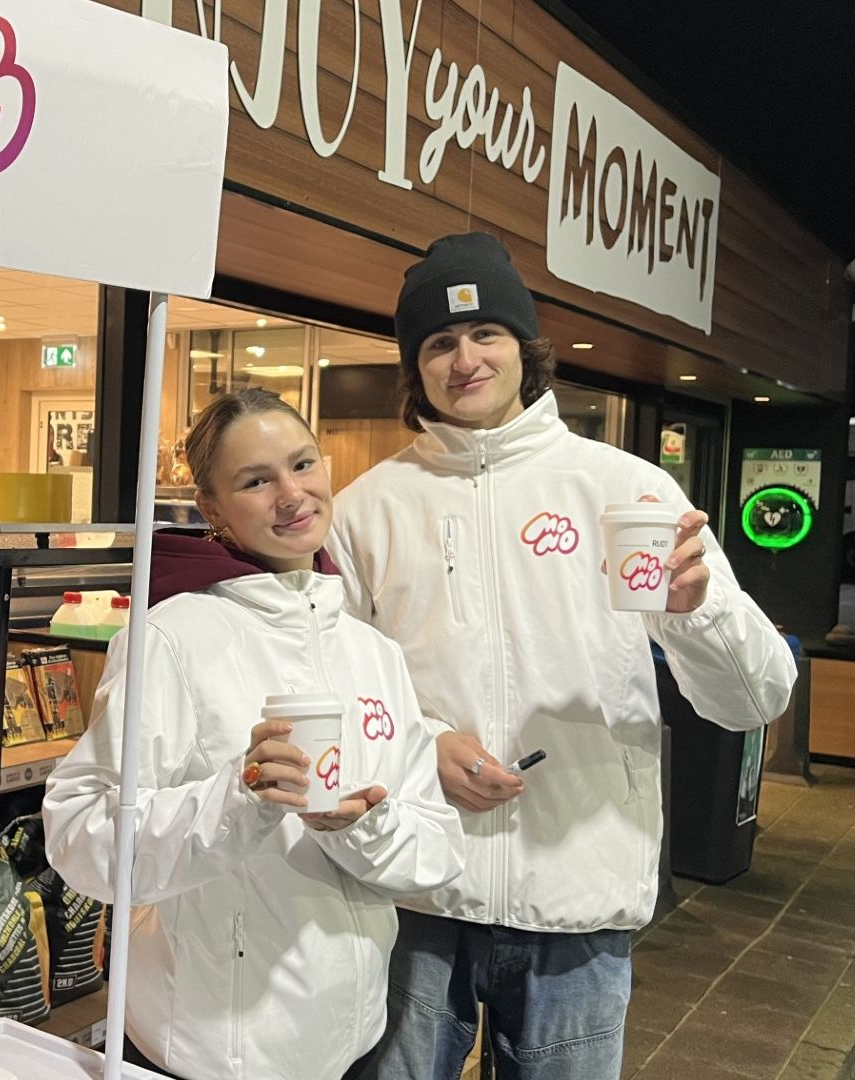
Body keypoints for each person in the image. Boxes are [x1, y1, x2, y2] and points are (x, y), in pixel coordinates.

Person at [327, 232, 796, 1080]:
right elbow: (338, 686)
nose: (463, 359)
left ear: (524, 348)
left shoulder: (629, 490)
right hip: (413, 888)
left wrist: (699, 614)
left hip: (578, 895)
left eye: (485, 335)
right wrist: (425, 747)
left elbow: (755, 698)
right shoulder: (366, 511)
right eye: (437, 342)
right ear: (414, 366)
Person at [42, 389, 465, 1080]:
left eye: (302, 465)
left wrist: (362, 826)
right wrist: (239, 800)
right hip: (216, 1051)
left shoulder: (372, 651)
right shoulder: (169, 639)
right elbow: (81, 833)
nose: (292, 495)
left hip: (356, 1039)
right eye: (257, 480)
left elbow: (438, 848)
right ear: (212, 509)